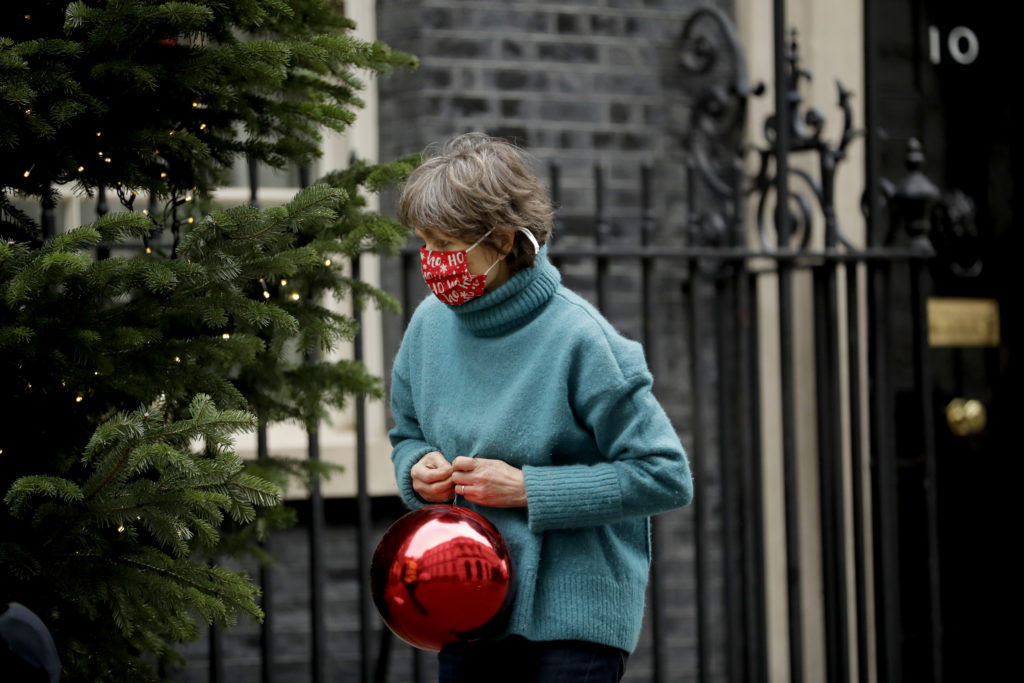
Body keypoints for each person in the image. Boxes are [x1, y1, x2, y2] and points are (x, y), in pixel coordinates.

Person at [388, 132, 693, 683]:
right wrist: (417, 469)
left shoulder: (582, 339)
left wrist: (529, 489)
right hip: (464, 609)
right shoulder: (427, 327)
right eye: (423, 244)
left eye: (445, 245)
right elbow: (406, 433)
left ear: (504, 240)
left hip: (572, 626)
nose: (431, 262)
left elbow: (666, 476)